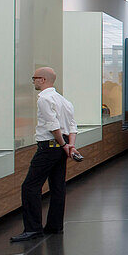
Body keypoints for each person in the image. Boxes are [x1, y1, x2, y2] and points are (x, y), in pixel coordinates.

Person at [11, 67, 77, 242]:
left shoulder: (44, 99)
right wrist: (70, 145)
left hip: (49, 147)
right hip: (60, 147)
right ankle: (55, 225)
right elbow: (72, 127)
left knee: (30, 186)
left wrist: (64, 145)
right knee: (57, 186)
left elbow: (53, 125)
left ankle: (33, 228)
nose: (33, 81)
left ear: (43, 79)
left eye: (34, 78)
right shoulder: (63, 100)